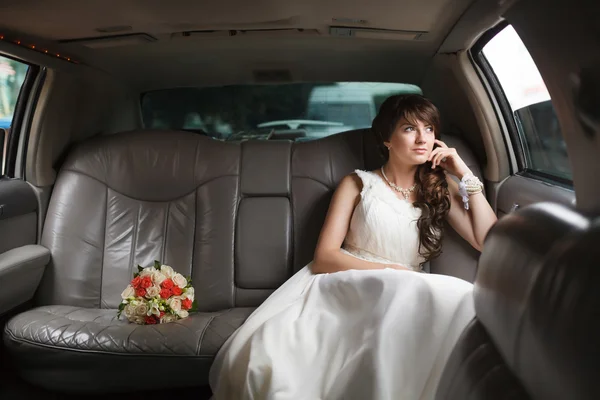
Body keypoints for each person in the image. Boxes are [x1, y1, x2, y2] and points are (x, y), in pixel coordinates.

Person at [209, 94, 498, 400]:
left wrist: (464, 173)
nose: (422, 139)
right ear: (387, 139)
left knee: (461, 298)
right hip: (346, 283)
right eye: (409, 129)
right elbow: (324, 257)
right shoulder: (357, 184)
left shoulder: (440, 188)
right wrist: (391, 271)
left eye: (429, 129)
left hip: (406, 288)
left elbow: (488, 239)